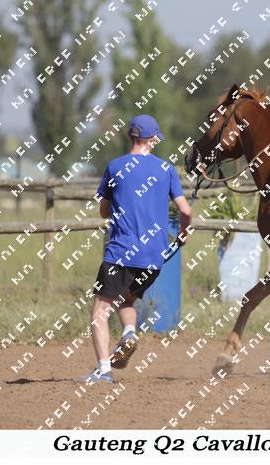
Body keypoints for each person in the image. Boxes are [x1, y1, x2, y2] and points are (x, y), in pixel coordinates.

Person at [76, 114, 193, 383]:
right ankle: (129, 332)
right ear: (153, 140)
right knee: (125, 300)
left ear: (131, 136)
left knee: (99, 311)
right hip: (154, 257)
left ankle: (104, 370)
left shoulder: (115, 167)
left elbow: (104, 211)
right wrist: (183, 233)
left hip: (121, 252)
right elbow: (186, 211)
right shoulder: (167, 169)